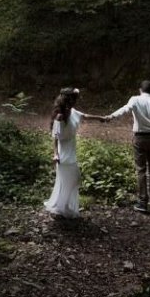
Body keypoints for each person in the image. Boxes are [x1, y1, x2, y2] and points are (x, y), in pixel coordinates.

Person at [105, 80, 150, 213]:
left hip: (140, 138)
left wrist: (111, 116)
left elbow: (125, 109)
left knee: (141, 170)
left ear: (140, 89)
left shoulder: (135, 100)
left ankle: (143, 202)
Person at [44, 87, 104, 219]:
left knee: (70, 180)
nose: (75, 101)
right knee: (72, 179)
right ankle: (60, 207)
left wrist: (101, 118)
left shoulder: (72, 111)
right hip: (63, 153)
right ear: (68, 99)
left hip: (71, 150)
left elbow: (85, 116)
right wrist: (55, 154)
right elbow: (55, 135)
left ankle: (63, 206)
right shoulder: (60, 116)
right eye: (73, 99)